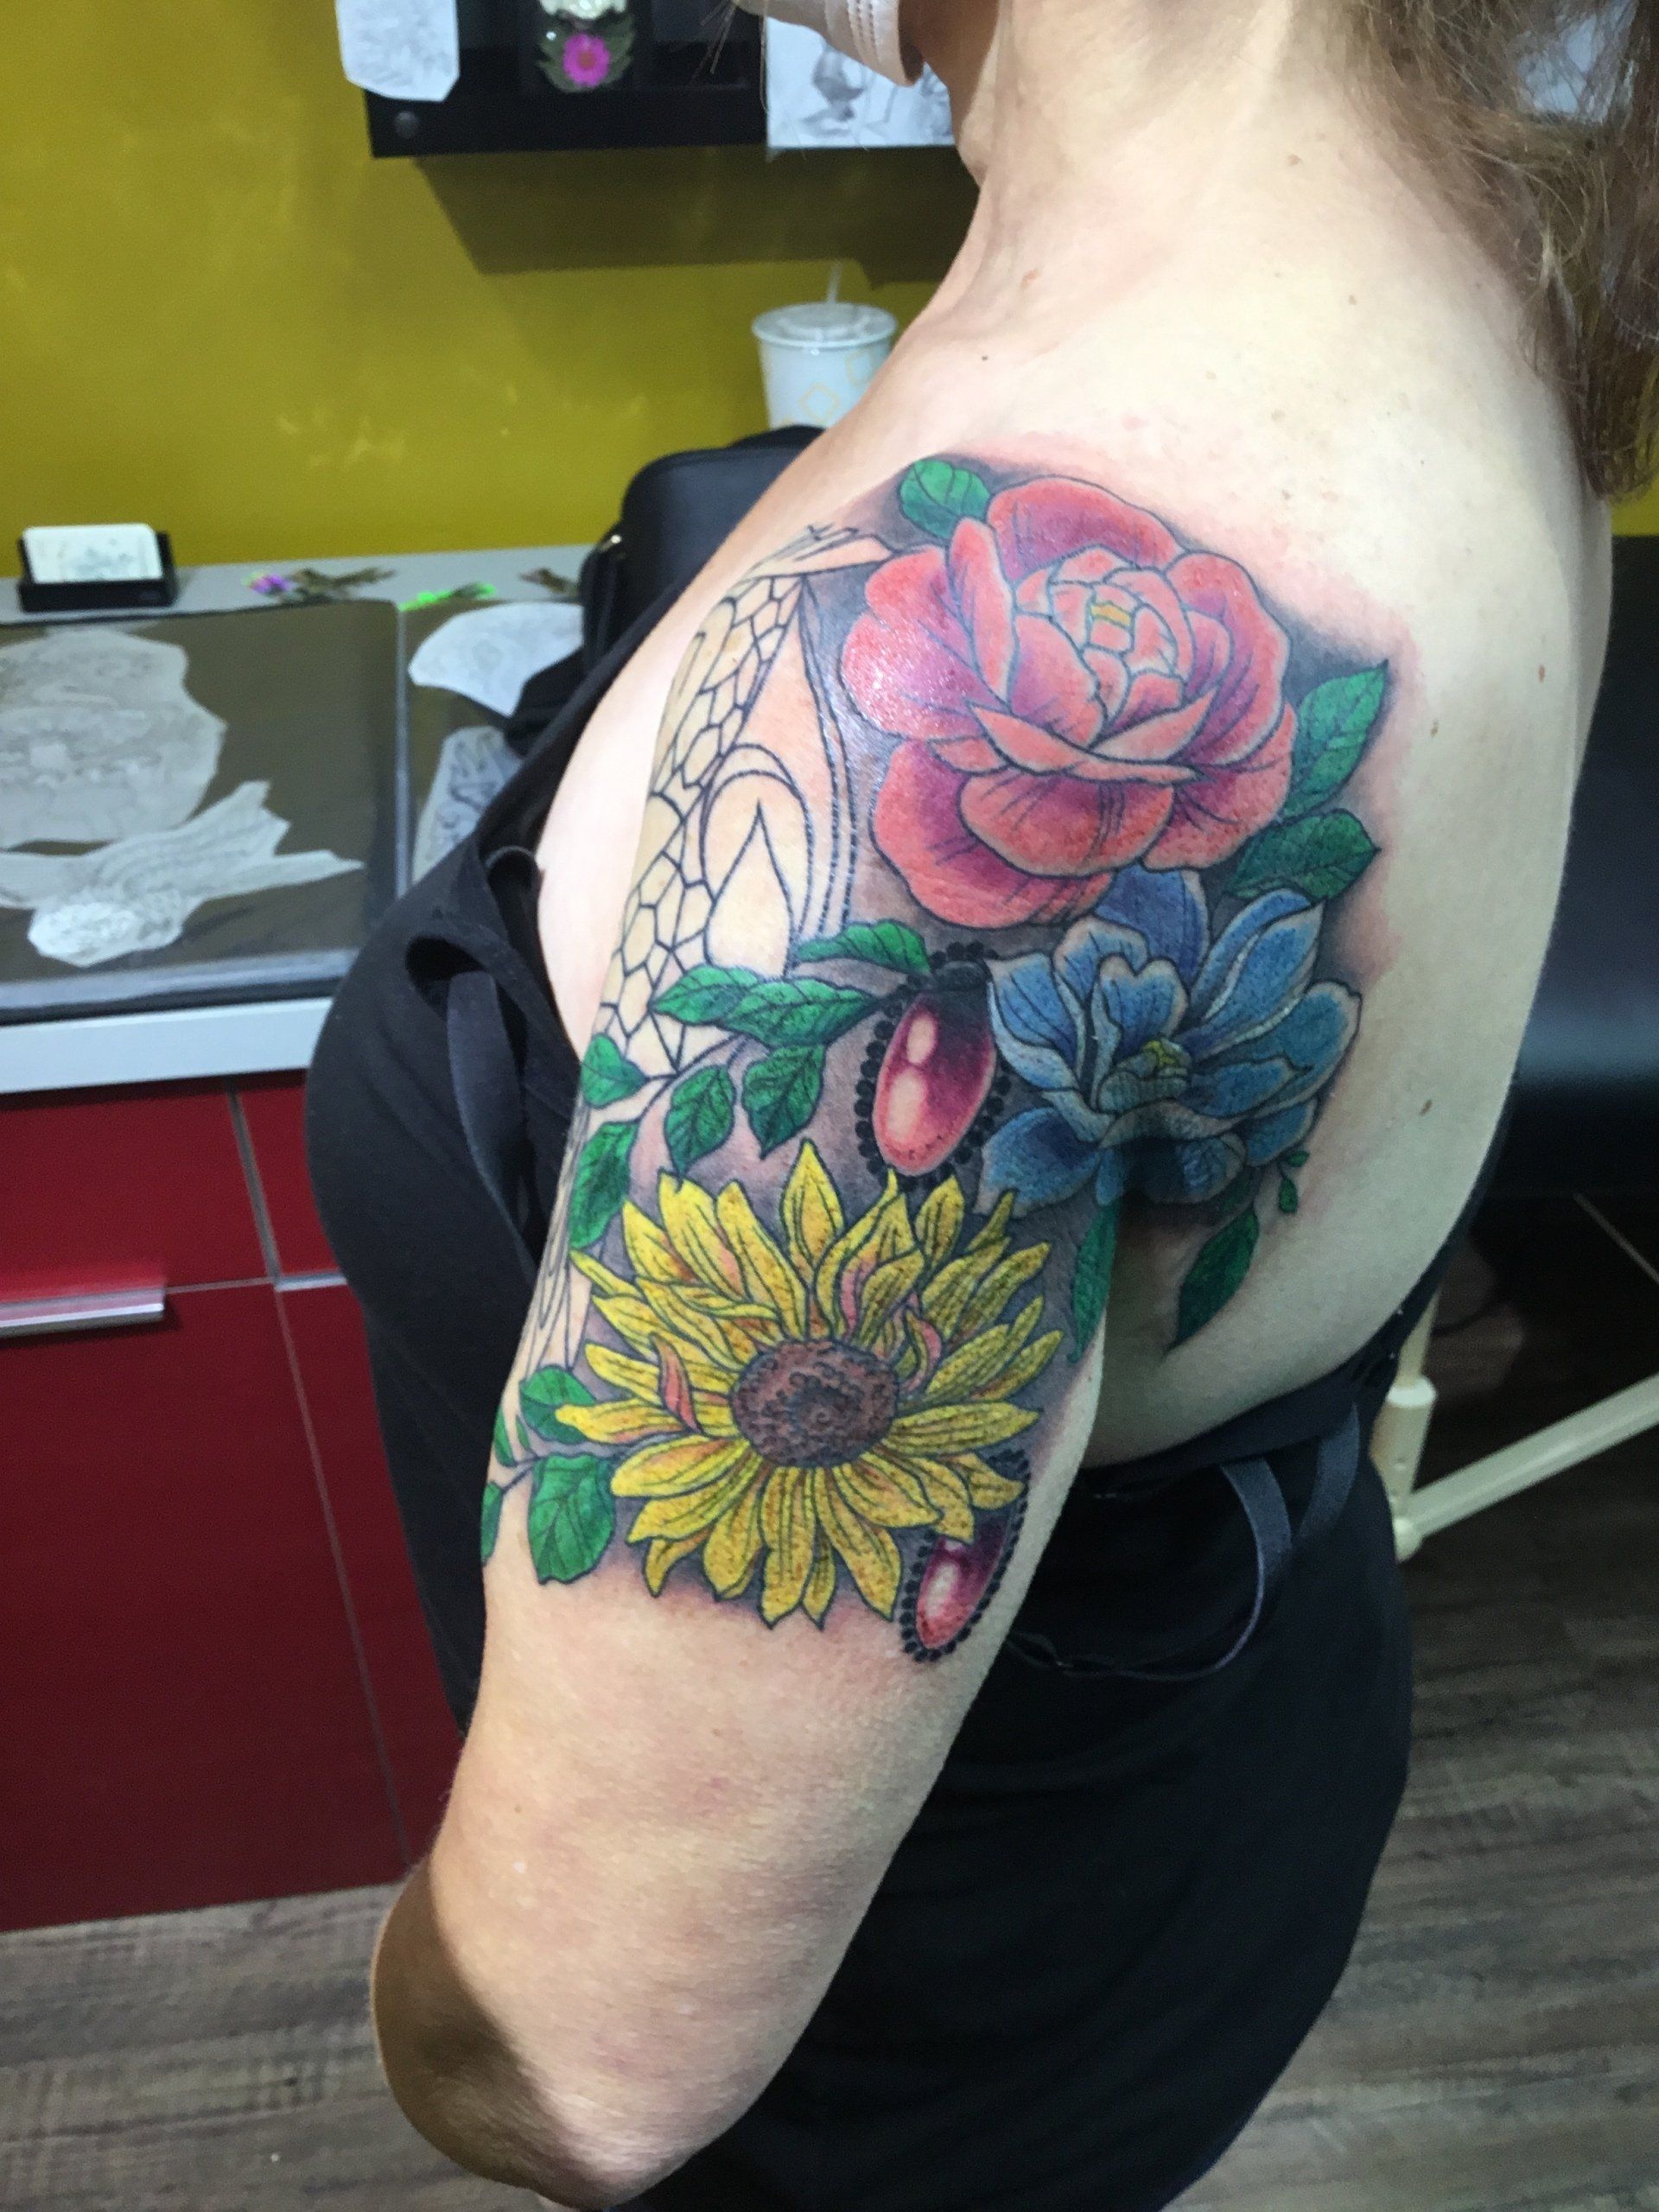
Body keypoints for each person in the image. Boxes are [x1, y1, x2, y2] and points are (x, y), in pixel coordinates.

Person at [308, 3, 1659, 2205]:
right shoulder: (1472, 244)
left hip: (897, 2069)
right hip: (1192, 1819)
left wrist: (388, 1985)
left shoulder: (970, 650)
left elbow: (577, 2067)